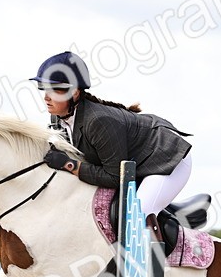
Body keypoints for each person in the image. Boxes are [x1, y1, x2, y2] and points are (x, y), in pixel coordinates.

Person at [31, 51, 193, 226]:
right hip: (135, 162)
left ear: (75, 93)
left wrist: (69, 165)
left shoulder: (98, 121)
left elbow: (115, 177)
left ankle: (160, 253)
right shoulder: (58, 117)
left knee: (137, 217)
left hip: (166, 158)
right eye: (45, 89)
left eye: (55, 90)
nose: (46, 97)